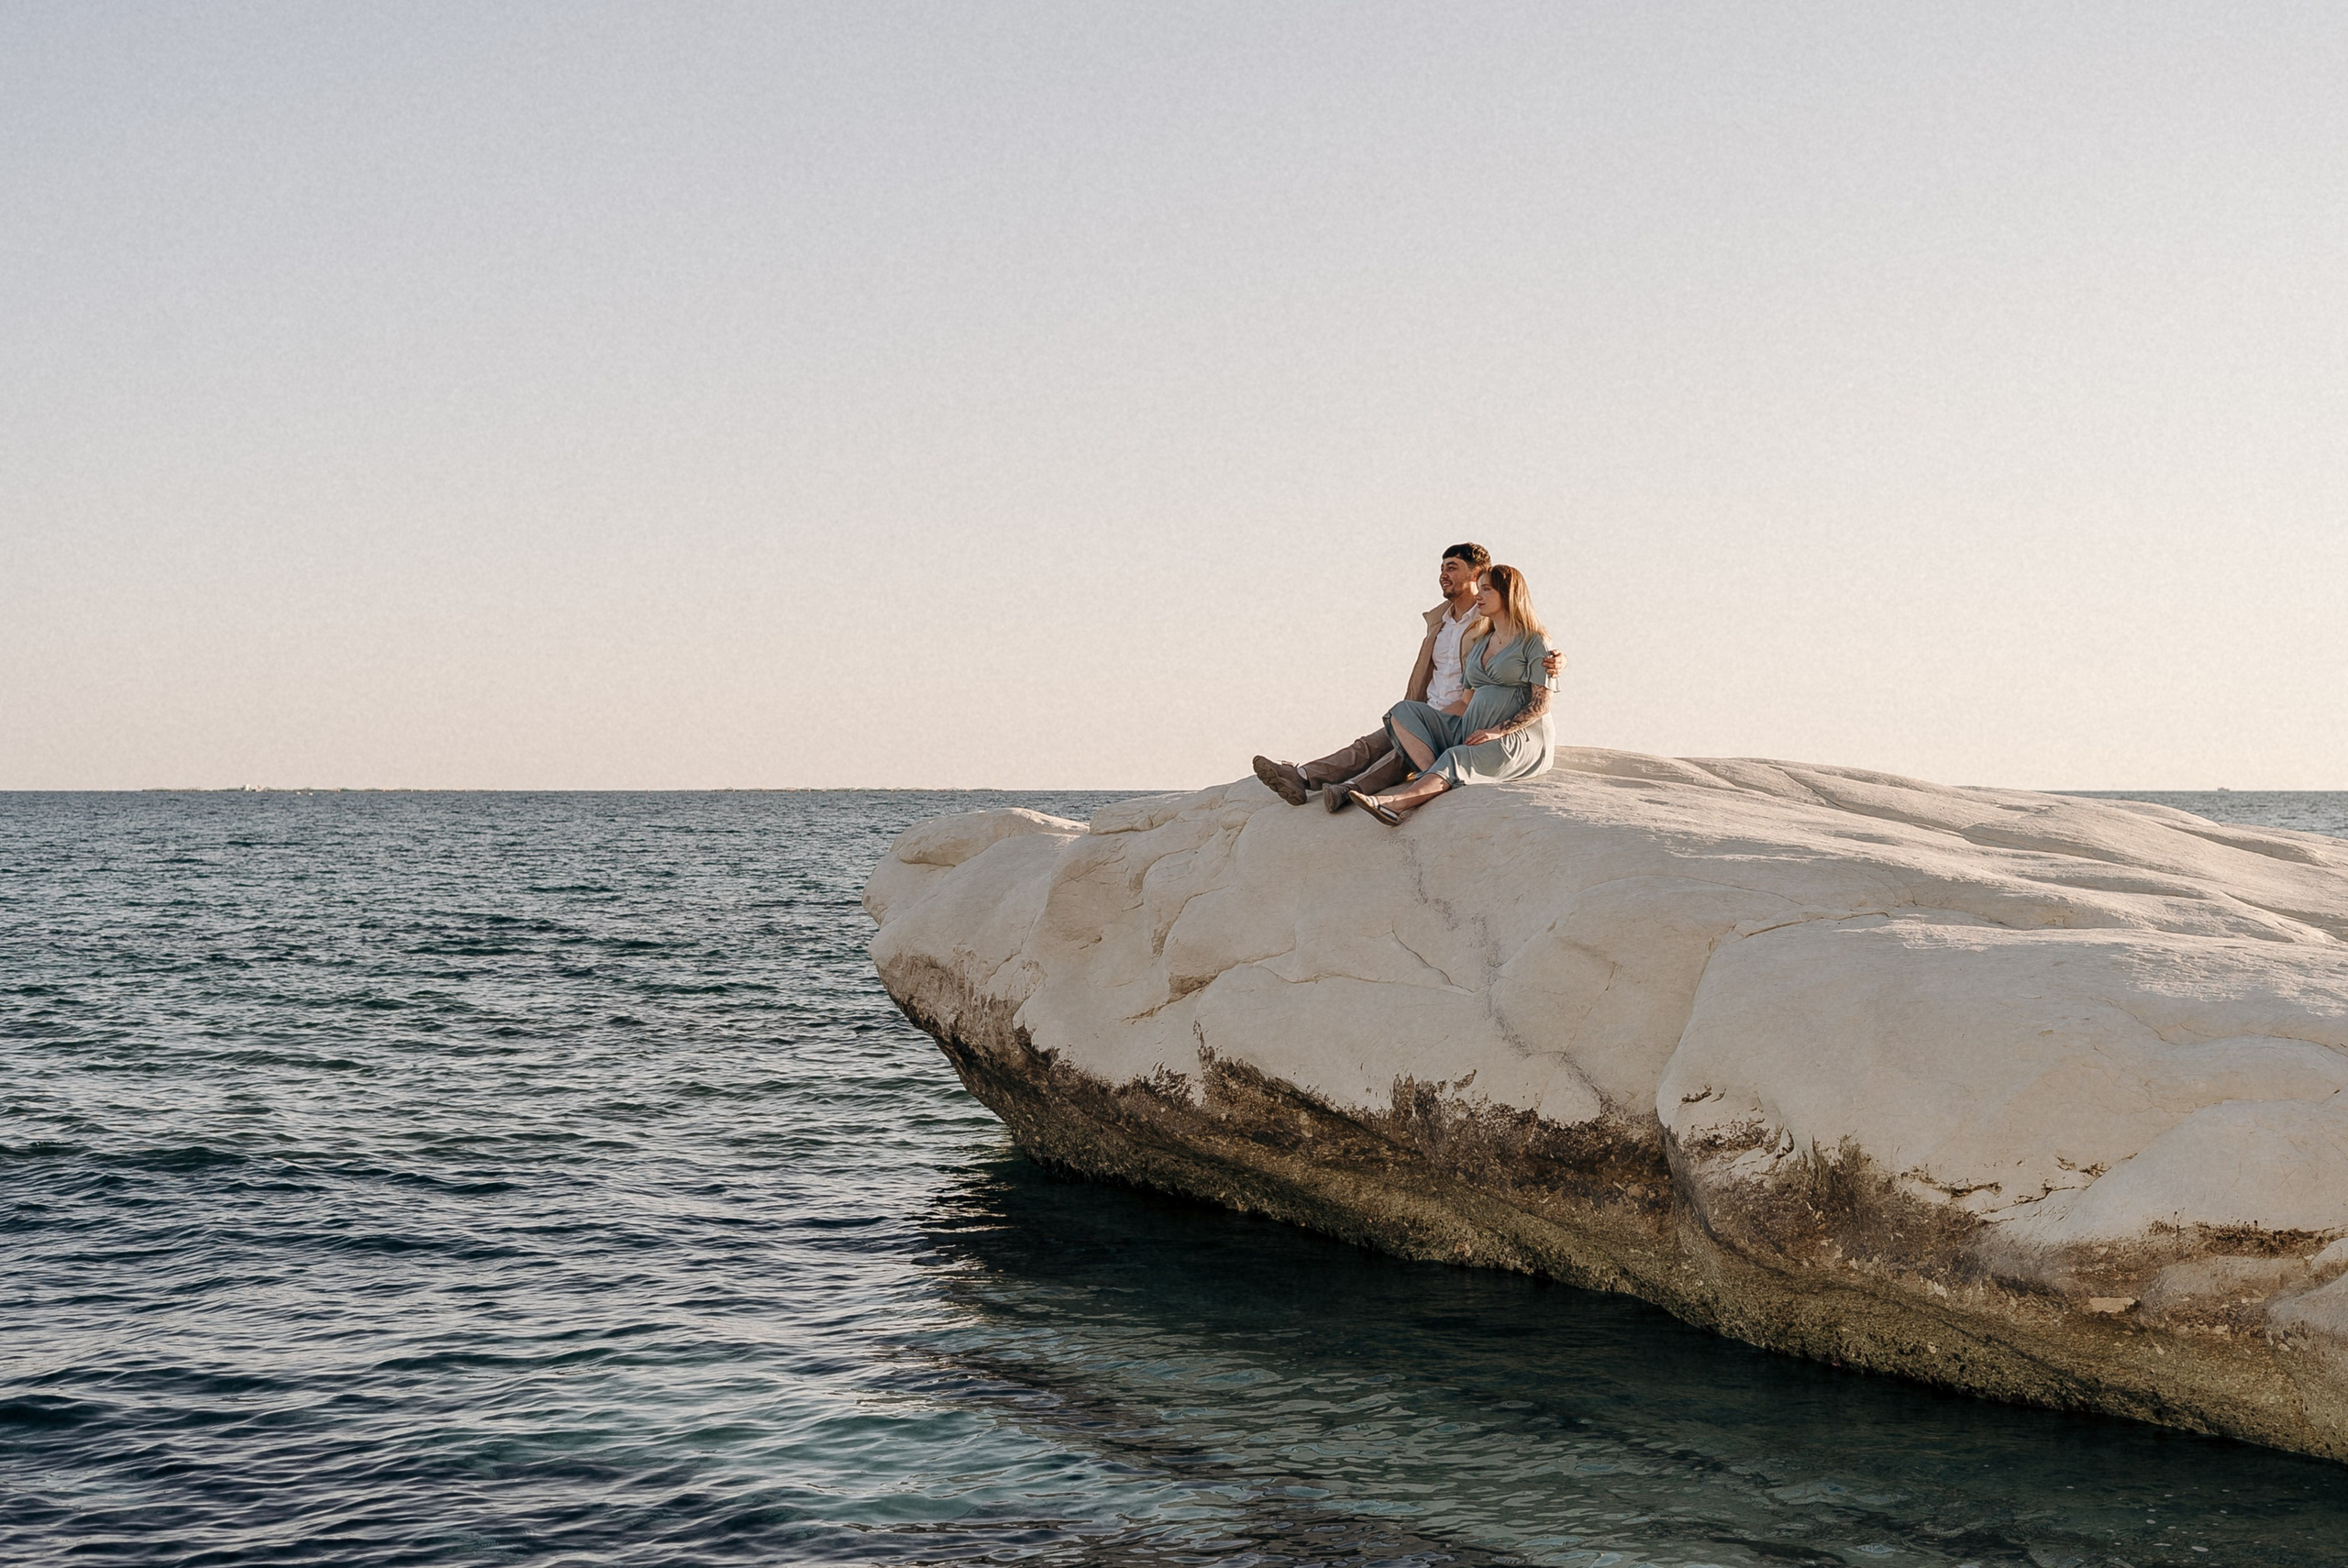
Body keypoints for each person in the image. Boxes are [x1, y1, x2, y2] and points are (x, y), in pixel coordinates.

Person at [1252, 543, 1556, 812]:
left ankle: (1350, 789)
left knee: (1400, 747)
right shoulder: (1441, 620)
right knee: (1377, 738)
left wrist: (1559, 661)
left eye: (1452, 567)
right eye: (1441, 568)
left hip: (1463, 715)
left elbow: (1535, 647)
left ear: (1477, 575)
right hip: (1435, 709)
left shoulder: (1487, 622)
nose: (1443, 574)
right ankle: (1303, 776)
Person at [1349, 564, 1555, 825]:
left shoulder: (1535, 641)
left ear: (1508, 593)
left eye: (1487, 590)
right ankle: (1430, 775)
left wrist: (1497, 731)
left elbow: (1541, 704)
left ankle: (1395, 804)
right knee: (1404, 711)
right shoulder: (1481, 642)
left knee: (1454, 756)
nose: (1478, 596)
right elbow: (1466, 701)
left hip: (1516, 739)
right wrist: (1431, 726)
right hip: (1473, 729)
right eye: (1478, 589)